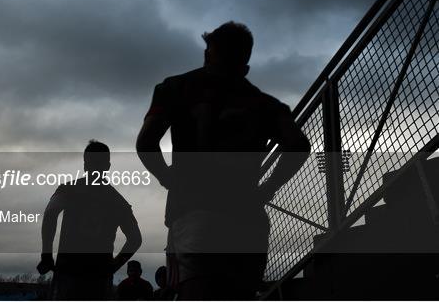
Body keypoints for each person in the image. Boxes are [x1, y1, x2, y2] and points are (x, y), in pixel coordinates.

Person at [136, 21, 311, 299]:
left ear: (208, 53)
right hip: (247, 218)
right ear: (246, 64)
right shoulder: (266, 104)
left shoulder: (175, 88)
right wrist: (268, 187)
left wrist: (168, 178)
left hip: (196, 213)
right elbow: (299, 146)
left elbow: (146, 143)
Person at [37, 140, 142, 300]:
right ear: (108, 166)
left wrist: (46, 254)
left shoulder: (68, 189)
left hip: (68, 272)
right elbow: (135, 239)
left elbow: (50, 213)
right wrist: (114, 266)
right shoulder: (118, 201)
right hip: (99, 277)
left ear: (85, 164)